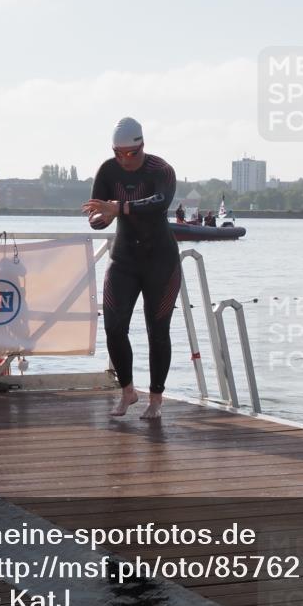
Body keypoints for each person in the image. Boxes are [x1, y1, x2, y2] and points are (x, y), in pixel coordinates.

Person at [82, 117, 180, 420]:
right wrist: (104, 217)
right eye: (118, 153)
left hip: (161, 261)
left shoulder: (160, 170)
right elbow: (96, 215)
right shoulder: (107, 170)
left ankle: (156, 398)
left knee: (157, 330)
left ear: (142, 147)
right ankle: (128, 391)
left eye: (131, 154)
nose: (124, 160)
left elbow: (158, 202)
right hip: (124, 260)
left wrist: (118, 208)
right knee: (113, 327)